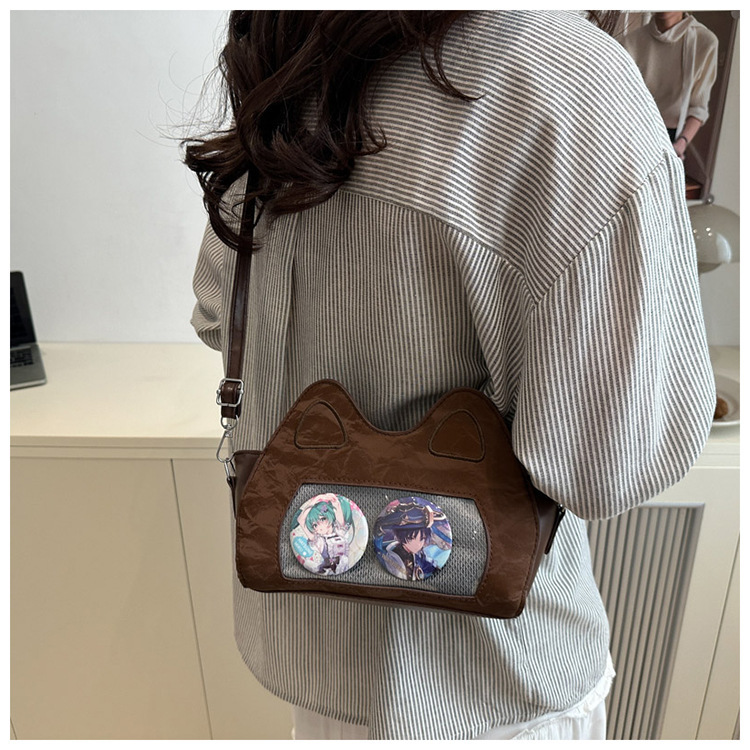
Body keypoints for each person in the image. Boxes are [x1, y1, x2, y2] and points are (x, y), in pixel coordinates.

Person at [184, 10, 715, 740]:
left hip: (310, 656)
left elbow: (217, 317)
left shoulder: (288, 52)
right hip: (491, 685)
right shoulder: (567, 82)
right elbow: (606, 465)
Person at [620, 12, 719, 159]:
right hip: (631, 133)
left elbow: (698, 107)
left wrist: (681, 143)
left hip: (672, 139)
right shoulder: (630, 42)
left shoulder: (705, 42)